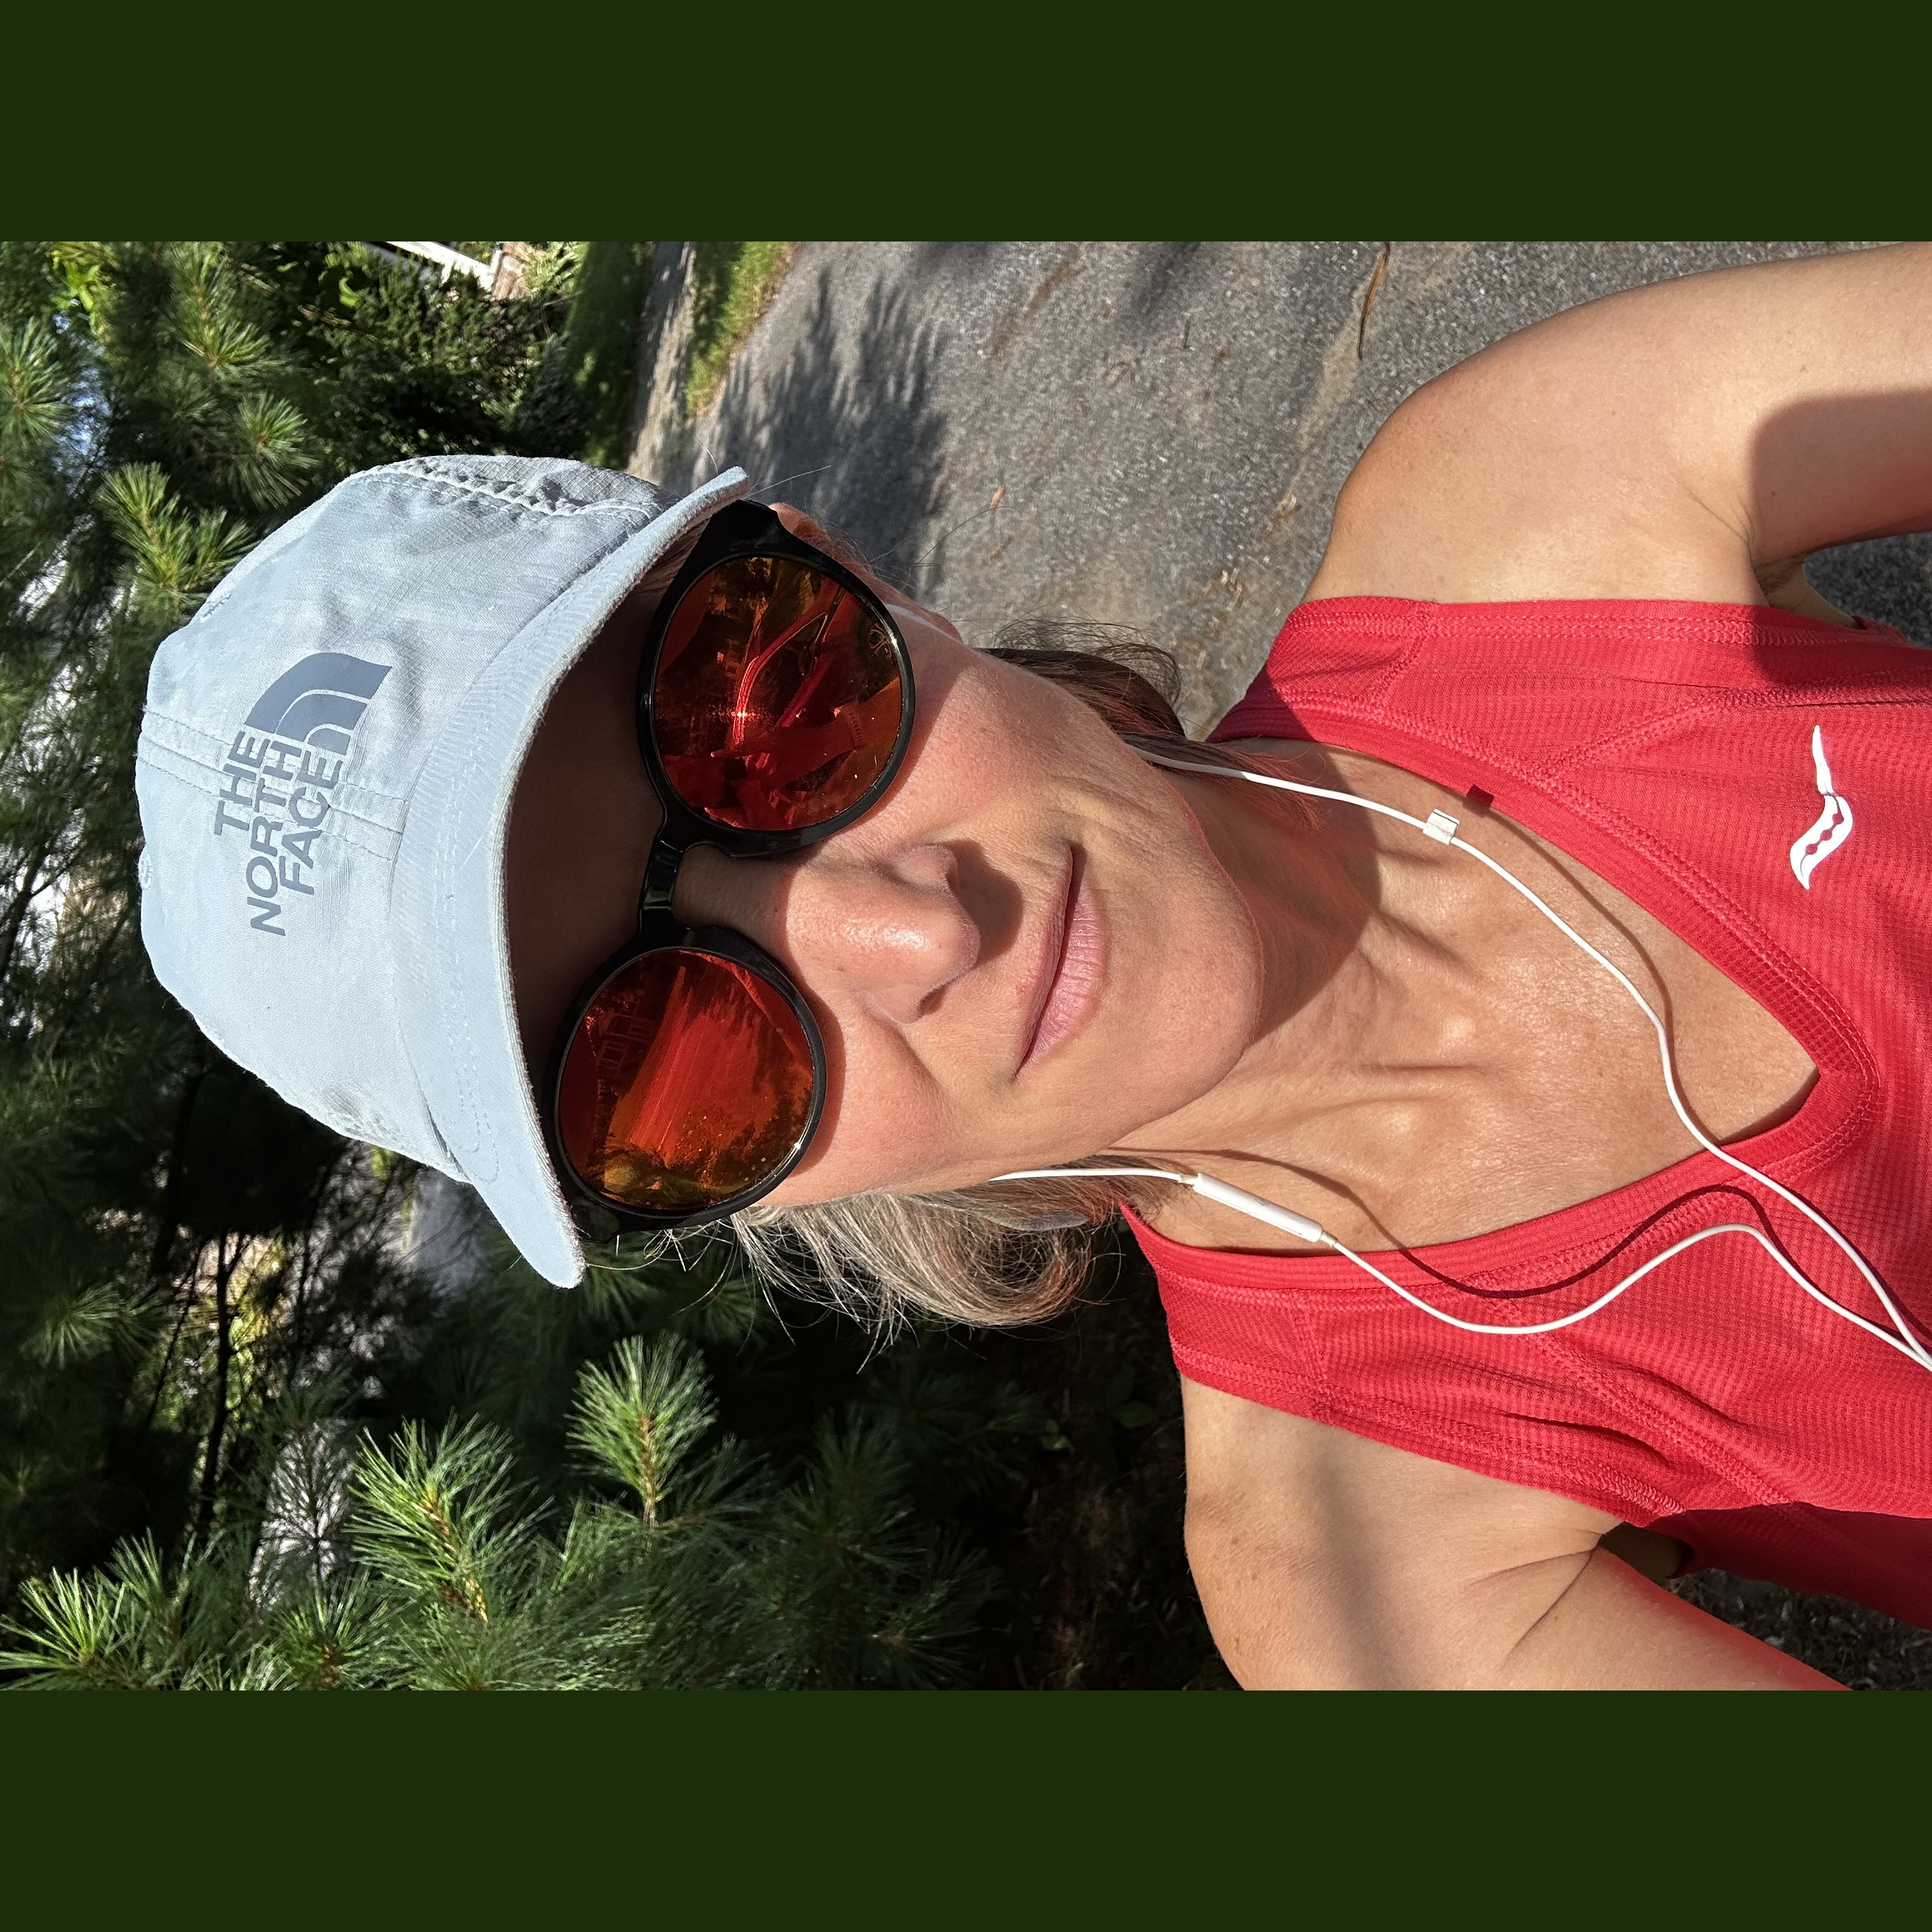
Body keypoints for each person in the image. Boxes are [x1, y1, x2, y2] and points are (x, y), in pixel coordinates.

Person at [136, 243, 1932, 1690]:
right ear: (741, 1196)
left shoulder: (1534, 505)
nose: (915, 933)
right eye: (672, 1060)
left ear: (847, 576)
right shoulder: (1362, 1574)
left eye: (770, 710)